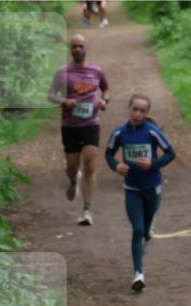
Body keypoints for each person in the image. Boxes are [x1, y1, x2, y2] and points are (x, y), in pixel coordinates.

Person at [105, 94, 175, 292]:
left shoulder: (152, 132)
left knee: (145, 231)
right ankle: (138, 274)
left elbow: (171, 153)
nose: (137, 114)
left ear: (147, 113)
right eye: (135, 109)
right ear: (129, 108)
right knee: (137, 230)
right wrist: (116, 165)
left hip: (153, 187)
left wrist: (153, 164)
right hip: (132, 188)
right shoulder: (119, 133)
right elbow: (108, 154)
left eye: (142, 111)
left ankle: (148, 231)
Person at [48, 34, 109, 225]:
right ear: (70, 49)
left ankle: (87, 210)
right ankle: (74, 180)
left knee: (90, 164)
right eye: (74, 47)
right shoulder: (62, 73)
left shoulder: (96, 71)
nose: (77, 50)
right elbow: (50, 95)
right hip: (70, 126)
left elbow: (106, 88)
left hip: (91, 124)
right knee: (72, 167)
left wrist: (104, 100)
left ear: (86, 47)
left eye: (80, 46)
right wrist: (65, 101)